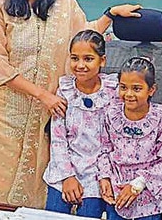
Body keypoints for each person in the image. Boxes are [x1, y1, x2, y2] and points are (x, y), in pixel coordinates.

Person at [0, 0, 142, 208]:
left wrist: (110, 14)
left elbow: (84, 36)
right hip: (3, 111)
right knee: (3, 181)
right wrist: (42, 96)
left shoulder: (64, 2)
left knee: (38, 181)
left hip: (44, 112)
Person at [98, 57, 162, 220]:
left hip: (148, 198)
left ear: (151, 90)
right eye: (123, 87)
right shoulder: (111, 115)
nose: (129, 94)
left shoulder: (159, 121)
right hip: (118, 193)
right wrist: (104, 177)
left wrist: (138, 184)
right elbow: (104, 150)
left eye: (137, 88)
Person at [43, 29, 119, 218]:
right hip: (65, 167)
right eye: (75, 58)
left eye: (88, 59)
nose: (80, 65)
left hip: (98, 171)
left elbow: (141, 118)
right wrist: (68, 177)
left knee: (88, 213)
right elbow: (58, 140)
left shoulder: (115, 92)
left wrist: (105, 175)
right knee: (54, 214)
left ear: (102, 60)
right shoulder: (64, 92)